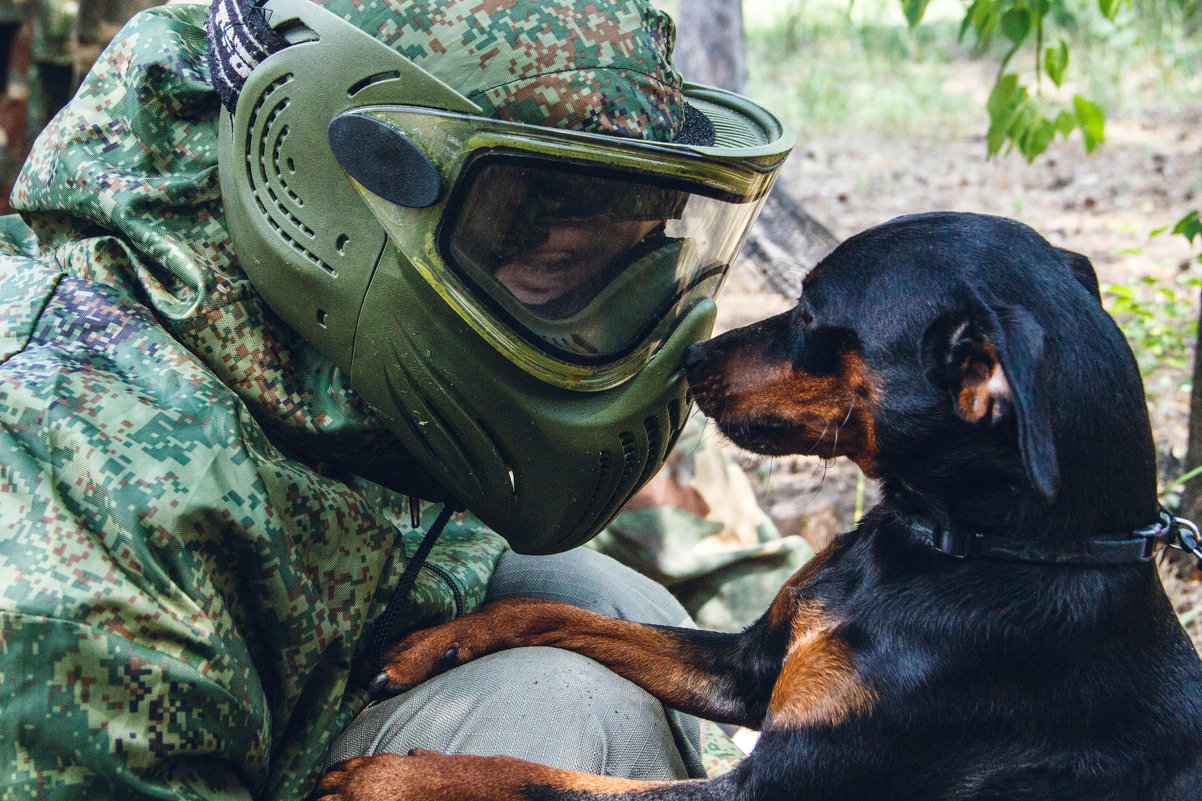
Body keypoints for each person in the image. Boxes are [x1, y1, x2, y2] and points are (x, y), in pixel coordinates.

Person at [0, 0, 794, 797]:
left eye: (639, 265)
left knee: (608, 606)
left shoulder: (317, 323)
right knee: (568, 714)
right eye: (562, 271)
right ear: (311, 188)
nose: (620, 335)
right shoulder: (78, 557)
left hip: (318, 671)